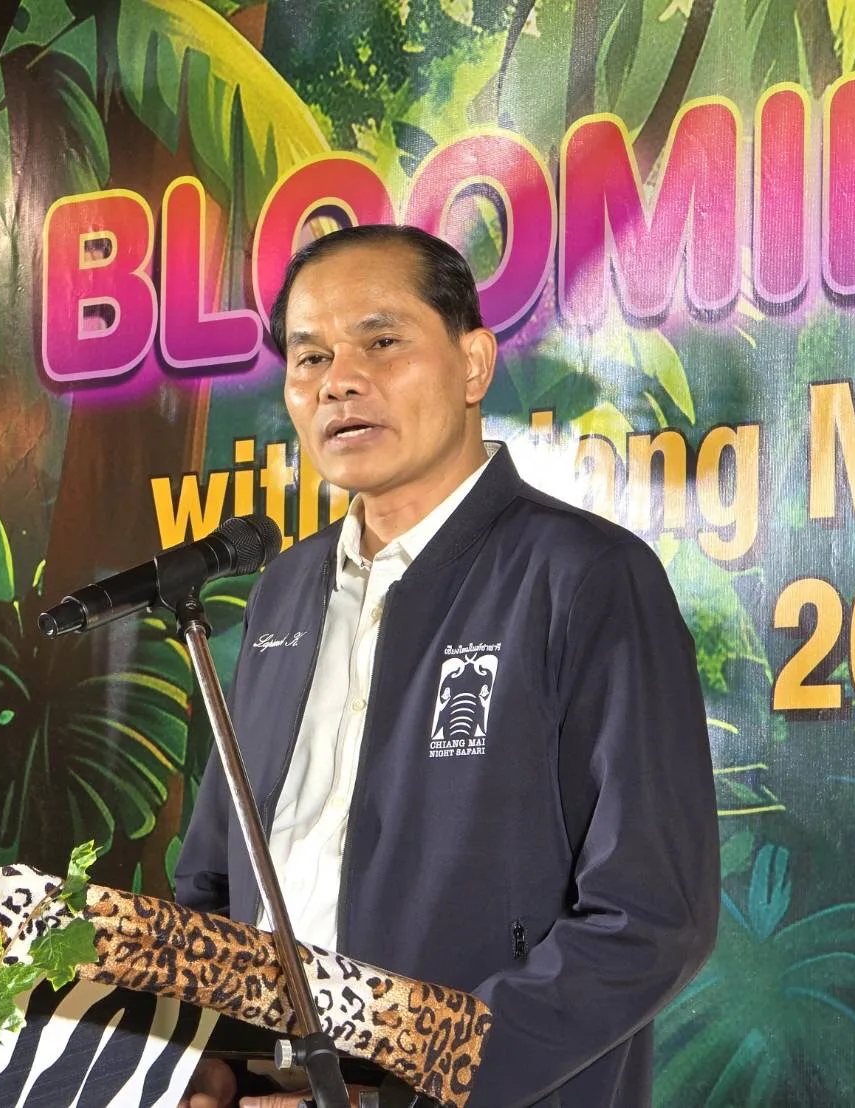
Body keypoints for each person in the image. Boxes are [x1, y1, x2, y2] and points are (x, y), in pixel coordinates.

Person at [174, 224, 720, 1108]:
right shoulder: (281, 592)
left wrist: (416, 1083)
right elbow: (211, 881)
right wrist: (200, 1064)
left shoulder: (584, 576)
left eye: (381, 342)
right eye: (309, 358)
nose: (338, 380)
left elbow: (650, 918)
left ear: (472, 365)